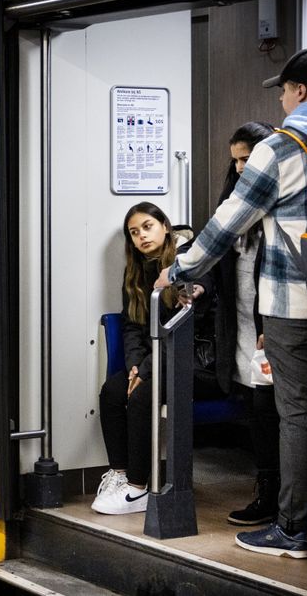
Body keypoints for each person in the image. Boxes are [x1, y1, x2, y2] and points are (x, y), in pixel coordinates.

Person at [155, 48, 307, 558]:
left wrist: (178, 270)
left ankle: (292, 529)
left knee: (298, 415)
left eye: (285, 91)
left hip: (295, 303)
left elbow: (227, 223)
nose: (283, 102)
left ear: (301, 92)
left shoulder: (280, 150)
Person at [91, 203, 209, 516]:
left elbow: (178, 331)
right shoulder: (135, 273)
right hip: (154, 360)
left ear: (165, 226)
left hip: (189, 361)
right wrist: (134, 365)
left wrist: (143, 372)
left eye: (147, 226)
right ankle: (119, 472)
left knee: (142, 395)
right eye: (134, 233)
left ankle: (137, 487)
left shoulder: (187, 261)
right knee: (113, 392)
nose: (141, 236)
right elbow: (132, 325)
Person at [210, 122, 282, 526]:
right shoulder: (232, 205)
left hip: (269, 324)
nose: (239, 168)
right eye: (235, 160)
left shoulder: (277, 204)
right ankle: (272, 494)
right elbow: (210, 249)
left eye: (247, 159)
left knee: (268, 413)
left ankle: (273, 497)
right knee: (257, 414)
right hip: (238, 326)